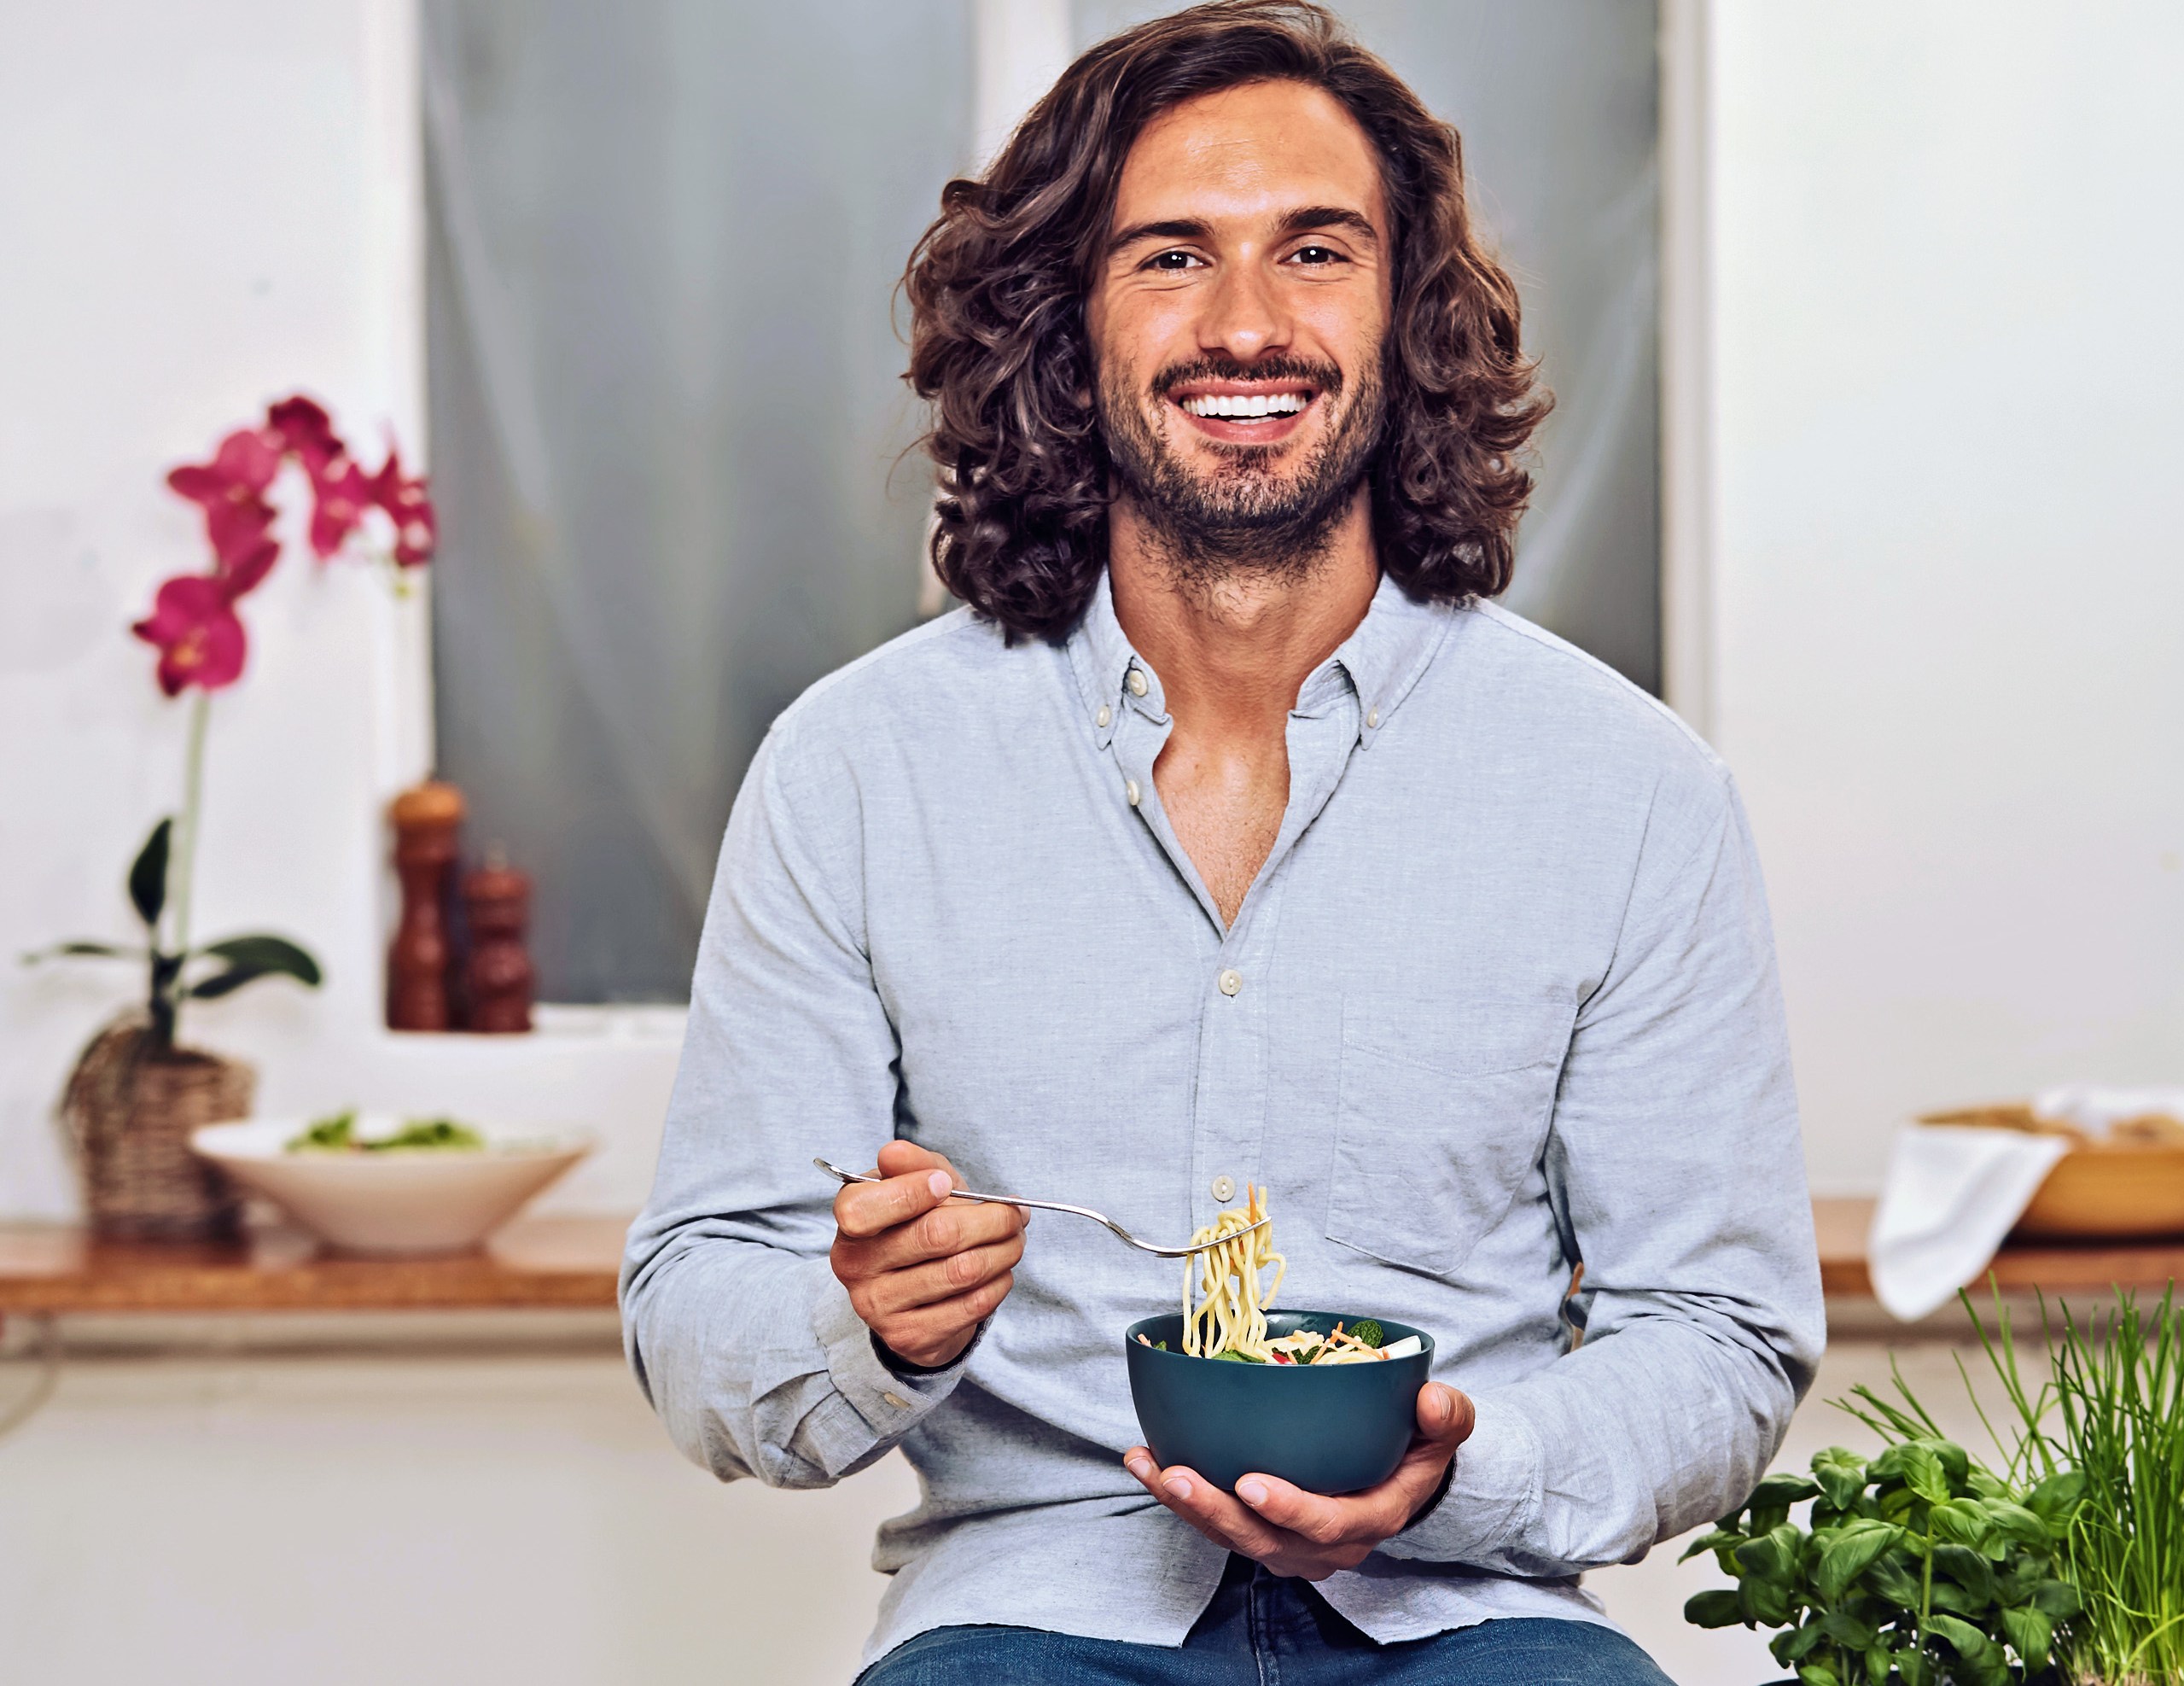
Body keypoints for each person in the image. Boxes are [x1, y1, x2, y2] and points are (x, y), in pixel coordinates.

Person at [620, 3, 1823, 1680]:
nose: (1247, 325)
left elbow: (1720, 1334)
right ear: (1067, 320)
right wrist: (858, 1325)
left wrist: (1459, 1468)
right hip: (1030, 1608)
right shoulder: (856, 771)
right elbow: (696, 1300)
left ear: (1403, 315)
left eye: (1315, 252)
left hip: (1474, 1607)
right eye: (1172, 257)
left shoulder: (1628, 789)